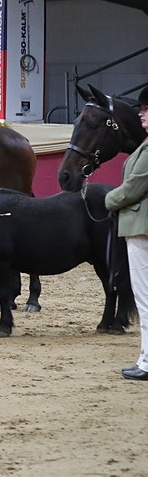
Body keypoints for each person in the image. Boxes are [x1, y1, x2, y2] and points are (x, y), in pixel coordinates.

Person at [104, 85, 148, 381]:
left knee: (144, 298)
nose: (141, 114)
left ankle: (146, 361)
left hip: (141, 227)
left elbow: (133, 188)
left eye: (146, 110)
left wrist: (107, 199)